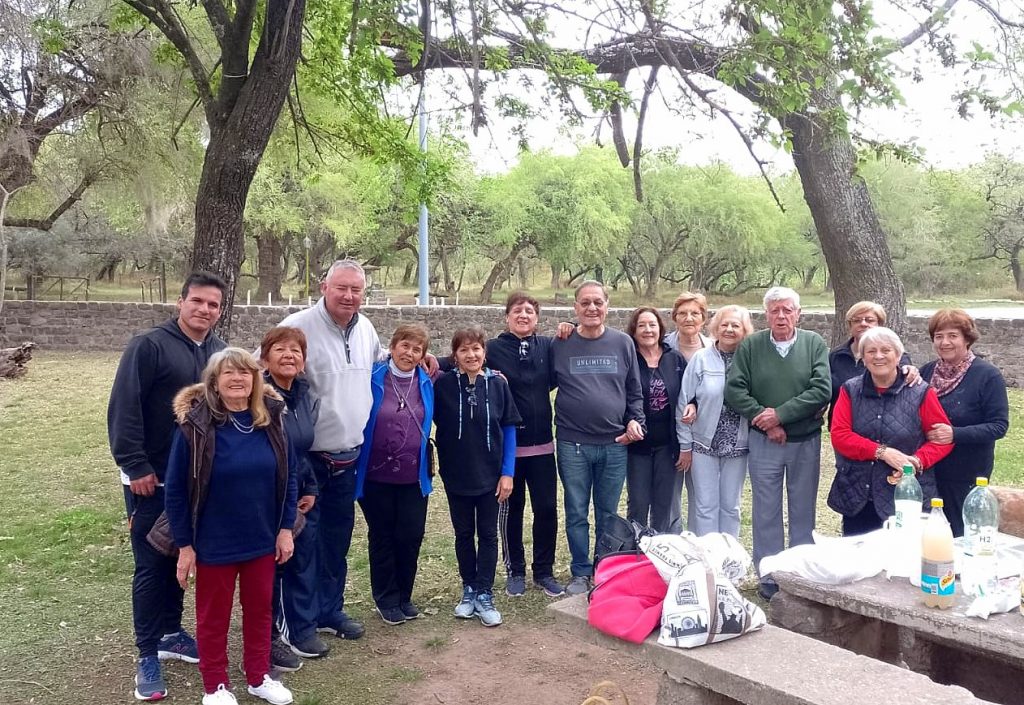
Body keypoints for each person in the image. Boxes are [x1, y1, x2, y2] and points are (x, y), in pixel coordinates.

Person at [107, 271, 226, 701]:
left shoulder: (217, 351)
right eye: (197, 301)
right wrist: (135, 465)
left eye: (213, 305)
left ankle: (172, 633)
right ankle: (146, 654)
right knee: (151, 564)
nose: (205, 310)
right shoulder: (149, 346)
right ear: (180, 302)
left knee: (181, 557)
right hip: (151, 480)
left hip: (197, 481)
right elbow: (124, 408)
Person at [164, 348, 298, 705]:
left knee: (259, 611)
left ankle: (258, 676)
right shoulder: (195, 427)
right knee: (213, 617)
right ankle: (215, 685)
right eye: (228, 373)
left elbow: (290, 477)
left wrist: (285, 529)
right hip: (213, 542)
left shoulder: (271, 421)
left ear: (255, 379)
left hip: (262, 538)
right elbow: (176, 489)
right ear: (214, 381)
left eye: (245, 372)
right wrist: (185, 546)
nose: (237, 378)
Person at [277, 260, 381, 641]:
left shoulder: (366, 328)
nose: (349, 296)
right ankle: (298, 625)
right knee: (304, 543)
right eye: (342, 288)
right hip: (309, 462)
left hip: (348, 458)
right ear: (324, 286)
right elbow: (263, 369)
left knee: (337, 541)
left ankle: (329, 610)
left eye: (356, 290)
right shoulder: (297, 326)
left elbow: (378, 365)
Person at [724, 287, 831, 600]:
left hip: (805, 440)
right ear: (766, 315)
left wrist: (781, 415)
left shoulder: (813, 343)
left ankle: (800, 574)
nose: (781, 316)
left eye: (787, 310)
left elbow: (821, 389)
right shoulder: (752, 346)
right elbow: (735, 390)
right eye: (775, 311)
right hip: (764, 442)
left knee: (802, 510)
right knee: (765, 510)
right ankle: (769, 575)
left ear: (798, 313)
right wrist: (764, 419)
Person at [551, 281, 645, 596]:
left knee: (608, 512)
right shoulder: (560, 342)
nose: (592, 308)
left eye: (598, 302)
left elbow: (634, 390)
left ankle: (604, 569)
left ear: (607, 305)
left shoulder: (623, 343)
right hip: (572, 444)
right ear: (575, 307)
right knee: (577, 510)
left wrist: (635, 420)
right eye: (585, 303)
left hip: (614, 444)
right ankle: (580, 572)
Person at [433, 326, 521, 627]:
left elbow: (509, 429)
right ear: (455, 355)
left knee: (487, 534)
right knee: (463, 534)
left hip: (491, 474)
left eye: (476, 349)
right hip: (456, 473)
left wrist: (507, 473)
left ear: (485, 352)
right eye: (464, 350)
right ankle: (468, 587)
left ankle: (485, 591)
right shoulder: (442, 385)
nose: (471, 355)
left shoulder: (498, 385)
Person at [828, 328, 954, 535]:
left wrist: (916, 461)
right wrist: (883, 452)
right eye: (871, 351)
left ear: (898, 356)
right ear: (863, 357)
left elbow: (942, 439)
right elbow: (840, 435)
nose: (878, 356)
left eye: (886, 350)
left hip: (907, 494)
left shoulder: (920, 391)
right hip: (860, 493)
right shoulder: (850, 389)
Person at [354, 323, 435, 626]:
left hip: (414, 477)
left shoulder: (427, 380)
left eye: (417, 349)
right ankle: (386, 598)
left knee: (411, 535)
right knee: (383, 536)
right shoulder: (372, 377)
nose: (409, 353)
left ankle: (404, 595)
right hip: (376, 475)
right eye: (405, 345)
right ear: (392, 345)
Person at [258, 327, 329, 670]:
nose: (289, 355)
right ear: (265, 357)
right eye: (280, 349)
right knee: (273, 567)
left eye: (296, 350)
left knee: (302, 560)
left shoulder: (302, 394)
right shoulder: (260, 399)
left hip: (299, 493)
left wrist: (311, 487)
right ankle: (269, 636)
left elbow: (301, 450)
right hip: (267, 497)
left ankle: (300, 629)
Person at [488, 293, 564, 598]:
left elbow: (577, 343)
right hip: (509, 449)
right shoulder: (493, 348)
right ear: (507, 316)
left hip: (544, 446)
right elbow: (460, 358)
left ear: (537, 318)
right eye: (517, 310)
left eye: (529, 311)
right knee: (511, 510)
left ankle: (543, 571)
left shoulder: (548, 346)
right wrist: (430, 361)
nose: (523, 315)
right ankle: (515, 570)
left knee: (546, 509)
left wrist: (568, 326)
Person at [920, 309, 1010, 536]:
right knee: (930, 535)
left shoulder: (987, 376)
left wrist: (955, 434)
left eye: (952, 336)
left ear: (967, 339)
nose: (945, 342)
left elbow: (999, 426)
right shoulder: (927, 372)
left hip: (965, 473)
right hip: (929, 470)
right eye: (939, 336)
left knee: (960, 535)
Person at [677, 305, 754, 537]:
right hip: (703, 444)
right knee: (705, 507)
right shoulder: (701, 359)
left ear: (745, 330)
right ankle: (708, 561)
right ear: (715, 328)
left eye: (735, 325)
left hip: (738, 445)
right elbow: (684, 401)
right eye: (724, 324)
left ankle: (728, 562)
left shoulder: (751, 360)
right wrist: (685, 444)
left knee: (731, 507)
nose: (729, 329)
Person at [621, 306, 685, 533]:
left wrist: (693, 406)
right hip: (637, 445)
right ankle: (636, 552)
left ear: (660, 329)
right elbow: (620, 396)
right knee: (638, 502)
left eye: (652, 325)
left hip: (667, 444)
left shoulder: (674, 358)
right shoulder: (627, 359)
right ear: (634, 330)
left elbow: (688, 393)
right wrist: (629, 421)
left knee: (664, 505)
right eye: (641, 325)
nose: (647, 330)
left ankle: (663, 553)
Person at [828, 301, 915, 426]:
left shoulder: (897, 358)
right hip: (843, 427)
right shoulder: (836, 356)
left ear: (879, 324)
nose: (863, 324)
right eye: (857, 320)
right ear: (850, 325)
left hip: (880, 428)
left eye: (869, 320)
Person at [663, 292, 713, 362]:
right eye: (682, 313)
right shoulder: (663, 346)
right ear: (675, 318)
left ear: (703, 319)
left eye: (695, 313)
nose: (688, 319)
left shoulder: (714, 349)